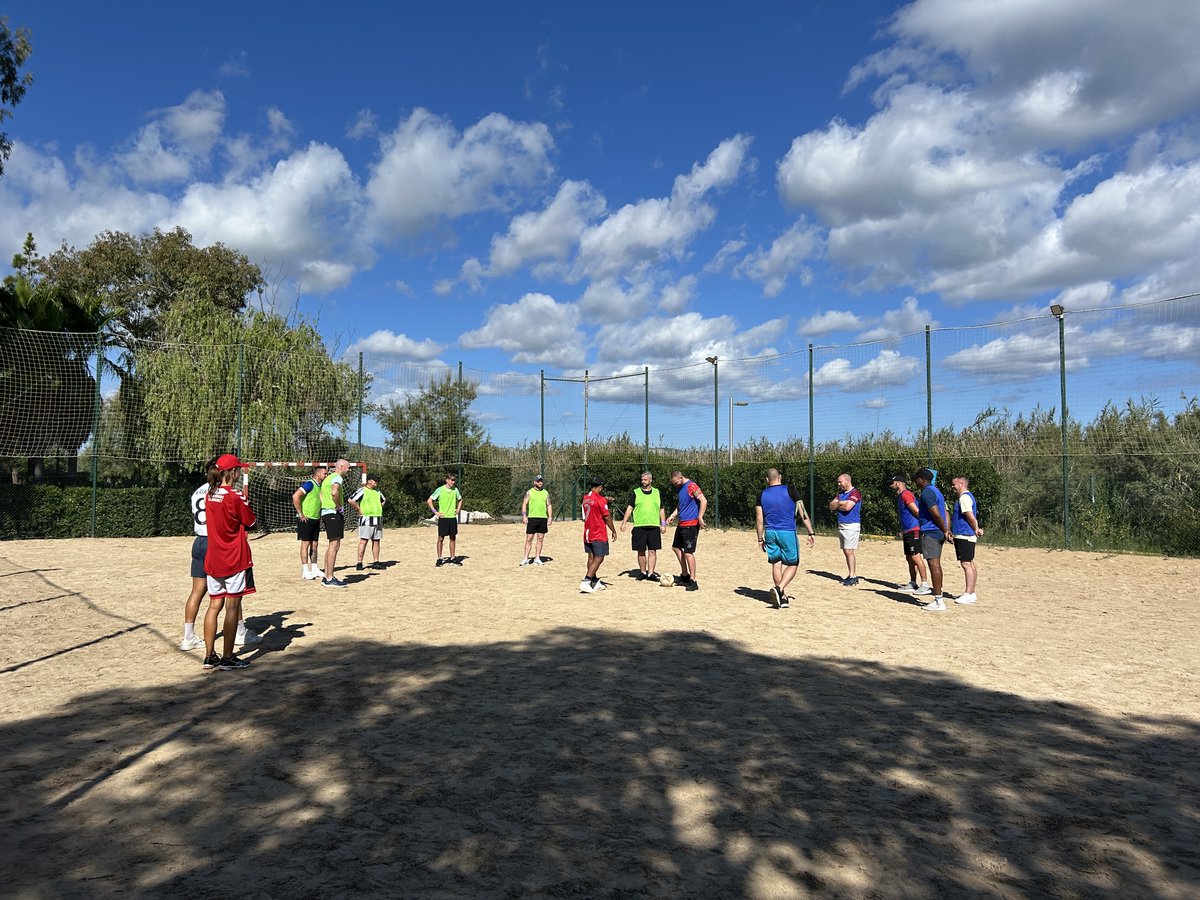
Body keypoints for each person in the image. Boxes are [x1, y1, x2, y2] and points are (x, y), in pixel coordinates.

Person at [181, 457, 261, 652]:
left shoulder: (203, 492)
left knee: (200, 594)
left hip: (199, 541)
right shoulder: (229, 494)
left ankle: (188, 636)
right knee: (233, 596)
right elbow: (249, 521)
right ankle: (238, 635)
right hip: (220, 542)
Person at [202, 453, 257, 671]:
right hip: (233, 557)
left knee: (214, 605)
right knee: (232, 606)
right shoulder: (234, 496)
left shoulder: (209, 494)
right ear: (232, 473)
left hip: (214, 557)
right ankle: (227, 656)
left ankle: (209, 656)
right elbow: (251, 521)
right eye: (238, 469)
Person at [755, 468, 815, 609]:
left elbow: (759, 519)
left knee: (776, 563)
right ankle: (779, 588)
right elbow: (802, 513)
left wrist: (759, 538)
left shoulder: (761, 494)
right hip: (787, 532)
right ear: (780, 477)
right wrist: (810, 532)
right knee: (793, 563)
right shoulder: (791, 490)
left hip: (770, 532)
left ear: (766, 479)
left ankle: (782, 597)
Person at [913, 467, 951, 611]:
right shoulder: (936, 491)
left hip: (931, 532)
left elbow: (936, 514)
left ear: (922, 479)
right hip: (937, 531)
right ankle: (938, 598)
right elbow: (945, 512)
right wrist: (946, 529)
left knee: (934, 565)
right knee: (935, 564)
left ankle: (938, 600)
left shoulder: (927, 492)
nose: (915, 482)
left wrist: (945, 529)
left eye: (917, 479)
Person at [619, 471, 667, 580]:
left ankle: (650, 573)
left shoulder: (657, 492)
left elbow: (661, 509)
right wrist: (624, 522)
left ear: (650, 480)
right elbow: (630, 508)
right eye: (642, 480)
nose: (643, 482)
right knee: (640, 551)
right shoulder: (636, 492)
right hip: (639, 526)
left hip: (654, 526)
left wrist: (663, 524)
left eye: (645, 480)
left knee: (652, 550)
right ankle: (642, 572)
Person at [664, 471, 706, 590]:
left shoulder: (692, 486)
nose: (675, 485)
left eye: (676, 482)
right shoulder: (680, 488)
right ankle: (685, 575)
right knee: (676, 547)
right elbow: (681, 504)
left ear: (681, 477)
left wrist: (700, 516)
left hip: (691, 524)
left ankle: (693, 580)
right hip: (681, 523)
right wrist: (673, 515)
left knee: (688, 552)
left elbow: (704, 500)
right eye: (674, 483)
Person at [890, 475, 931, 596]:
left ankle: (925, 584)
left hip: (914, 530)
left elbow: (916, 511)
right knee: (909, 557)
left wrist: (922, 524)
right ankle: (913, 583)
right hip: (908, 530)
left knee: (915, 557)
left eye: (892, 483)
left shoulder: (906, 494)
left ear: (898, 483)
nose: (891, 485)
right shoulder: (901, 496)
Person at [950, 475, 983, 604]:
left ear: (962, 484)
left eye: (954, 484)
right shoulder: (967, 497)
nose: (952, 487)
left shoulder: (964, 497)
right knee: (970, 563)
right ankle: (972, 592)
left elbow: (969, 515)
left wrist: (976, 528)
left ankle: (968, 593)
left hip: (964, 535)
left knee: (966, 564)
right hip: (966, 534)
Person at [580, 476, 616, 593]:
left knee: (591, 557)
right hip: (598, 532)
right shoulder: (600, 500)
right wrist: (613, 530)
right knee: (599, 557)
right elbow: (607, 516)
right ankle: (587, 580)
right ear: (600, 487)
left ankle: (594, 581)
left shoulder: (585, 498)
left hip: (587, 532)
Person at [291, 464, 327, 580]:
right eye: (324, 473)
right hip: (306, 519)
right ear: (318, 474)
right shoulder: (309, 484)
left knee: (315, 544)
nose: (326, 475)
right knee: (305, 544)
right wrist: (300, 513)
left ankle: (315, 568)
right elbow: (296, 496)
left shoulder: (320, 486)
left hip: (316, 519)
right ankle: (305, 570)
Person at [320, 458, 351, 588]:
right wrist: (338, 506)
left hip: (326, 512)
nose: (349, 470)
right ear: (342, 467)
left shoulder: (327, 478)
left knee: (331, 544)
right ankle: (329, 578)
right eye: (348, 468)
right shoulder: (337, 478)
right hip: (333, 513)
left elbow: (321, 495)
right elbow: (334, 492)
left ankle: (327, 575)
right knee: (334, 545)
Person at [829, 473, 862, 586]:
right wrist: (840, 503)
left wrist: (838, 504)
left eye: (840, 482)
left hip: (851, 525)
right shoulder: (841, 494)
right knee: (845, 550)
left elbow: (848, 507)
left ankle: (853, 576)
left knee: (849, 551)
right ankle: (851, 574)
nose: (839, 484)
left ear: (847, 481)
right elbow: (831, 506)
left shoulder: (855, 493)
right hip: (842, 525)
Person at [349, 473, 387, 570]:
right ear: (369, 481)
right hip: (366, 519)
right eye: (375, 480)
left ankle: (376, 561)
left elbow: (383, 500)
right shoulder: (362, 490)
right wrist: (359, 509)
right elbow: (351, 500)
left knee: (376, 541)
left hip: (377, 519)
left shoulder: (378, 491)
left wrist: (379, 508)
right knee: (364, 541)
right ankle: (359, 562)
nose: (376, 483)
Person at [427, 473, 463, 566]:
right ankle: (439, 558)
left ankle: (452, 558)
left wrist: (458, 510)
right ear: (447, 480)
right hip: (443, 518)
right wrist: (435, 512)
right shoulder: (440, 490)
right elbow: (429, 501)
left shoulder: (455, 490)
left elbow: (460, 499)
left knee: (453, 538)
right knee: (441, 538)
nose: (453, 482)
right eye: (451, 480)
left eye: (454, 480)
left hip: (452, 517)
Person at [519, 475, 552, 566]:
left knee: (540, 539)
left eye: (541, 481)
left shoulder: (546, 493)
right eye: (538, 481)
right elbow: (524, 504)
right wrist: (524, 516)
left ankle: (537, 558)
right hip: (532, 518)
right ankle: (526, 558)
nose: (540, 482)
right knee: (529, 539)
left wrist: (550, 517)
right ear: (534, 482)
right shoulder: (529, 492)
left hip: (542, 518)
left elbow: (549, 505)